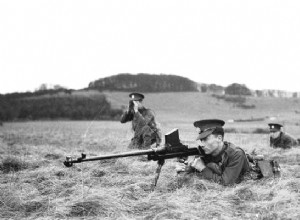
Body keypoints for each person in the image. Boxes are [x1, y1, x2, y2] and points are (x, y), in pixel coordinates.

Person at [175, 119, 251, 186]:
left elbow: (226, 183)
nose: (202, 144)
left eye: (205, 139)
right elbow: (190, 175)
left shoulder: (236, 154)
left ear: (219, 138)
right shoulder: (204, 152)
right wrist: (185, 169)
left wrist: (203, 168)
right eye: (201, 140)